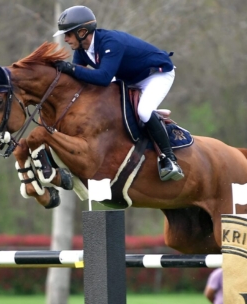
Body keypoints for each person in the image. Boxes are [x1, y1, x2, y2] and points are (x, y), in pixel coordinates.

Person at [52, 5, 184, 182]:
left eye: (68, 34)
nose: (66, 39)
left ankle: (169, 159)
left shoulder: (110, 42)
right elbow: (78, 79)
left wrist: (70, 68)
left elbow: (104, 77)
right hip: (131, 78)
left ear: (82, 32)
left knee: (143, 111)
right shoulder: (82, 51)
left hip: (156, 74)